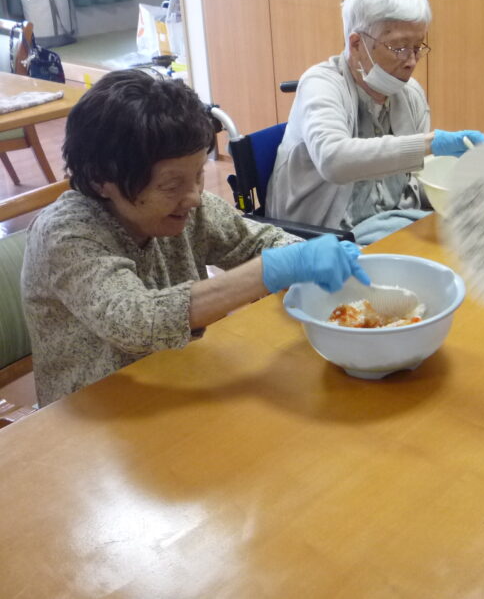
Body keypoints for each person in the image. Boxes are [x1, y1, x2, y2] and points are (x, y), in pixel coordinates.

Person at [22, 70, 369, 407]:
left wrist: (307, 254)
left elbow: (254, 241)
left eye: (199, 174)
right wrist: (271, 270)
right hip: (94, 417)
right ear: (102, 181)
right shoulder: (66, 233)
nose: (194, 197)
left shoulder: (186, 208)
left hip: (184, 383)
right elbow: (134, 320)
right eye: (171, 185)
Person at [266, 0, 484, 244]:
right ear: (357, 44)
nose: (411, 61)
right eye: (399, 47)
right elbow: (334, 160)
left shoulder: (410, 94)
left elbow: (415, 184)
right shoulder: (321, 84)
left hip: (387, 229)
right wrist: (430, 144)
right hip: (321, 240)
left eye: (418, 47)